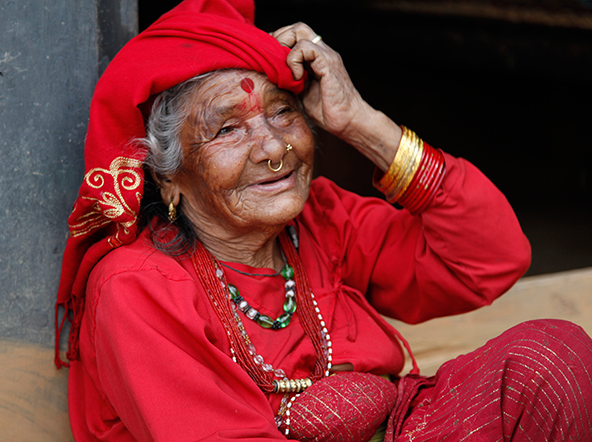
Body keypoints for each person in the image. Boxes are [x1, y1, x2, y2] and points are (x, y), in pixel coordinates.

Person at [54, 0, 592, 440]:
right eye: (227, 130)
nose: (272, 148)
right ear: (168, 177)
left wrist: (358, 122)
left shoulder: (321, 220)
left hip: (403, 427)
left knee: (550, 358)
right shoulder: (137, 289)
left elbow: (490, 257)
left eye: (283, 111)